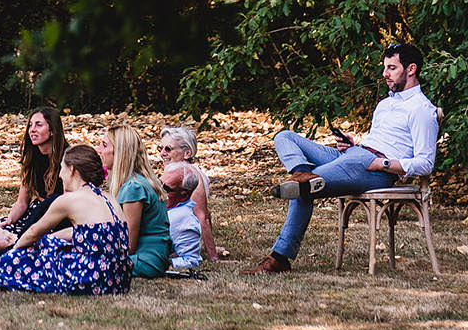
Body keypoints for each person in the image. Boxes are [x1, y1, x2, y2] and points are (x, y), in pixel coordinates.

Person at [247, 43, 440, 274]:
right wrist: (352, 144)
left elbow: (425, 163)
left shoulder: (422, 110)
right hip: (354, 155)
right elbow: (377, 140)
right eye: (384, 67)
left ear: (411, 69)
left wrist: (383, 164)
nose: (384, 74)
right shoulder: (385, 104)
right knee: (285, 137)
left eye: (391, 68)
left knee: (304, 188)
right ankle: (301, 174)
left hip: (376, 169)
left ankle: (279, 257)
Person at [0, 143, 131, 296]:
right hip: (119, 279)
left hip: (91, 278)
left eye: (62, 168)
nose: (60, 175)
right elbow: (91, 234)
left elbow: (34, 232)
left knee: (26, 255)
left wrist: (13, 251)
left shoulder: (69, 200)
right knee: (50, 242)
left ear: (73, 169)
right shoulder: (110, 198)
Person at [0, 105, 66, 251]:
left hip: (57, 218)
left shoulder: (67, 159)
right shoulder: (33, 158)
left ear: (52, 130)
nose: (32, 129)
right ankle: (0, 242)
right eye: (31, 125)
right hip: (35, 211)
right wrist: (9, 220)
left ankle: (4, 244)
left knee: (25, 238)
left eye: (39, 125)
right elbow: (22, 202)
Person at [105, 122, 174, 278]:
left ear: (119, 152)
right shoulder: (134, 182)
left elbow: (128, 245)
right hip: (146, 257)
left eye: (104, 145)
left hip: (146, 260)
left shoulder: (133, 188)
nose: (99, 150)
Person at [156, 123, 225, 260]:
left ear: (187, 153)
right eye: (161, 148)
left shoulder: (187, 174)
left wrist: (213, 257)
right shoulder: (179, 170)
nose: (162, 153)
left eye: (168, 149)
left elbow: (202, 216)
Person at [163, 162, 205, 270]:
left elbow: (191, 260)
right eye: (158, 183)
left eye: (166, 189)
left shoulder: (185, 219)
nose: (158, 190)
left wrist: (162, 262)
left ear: (184, 195)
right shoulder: (164, 207)